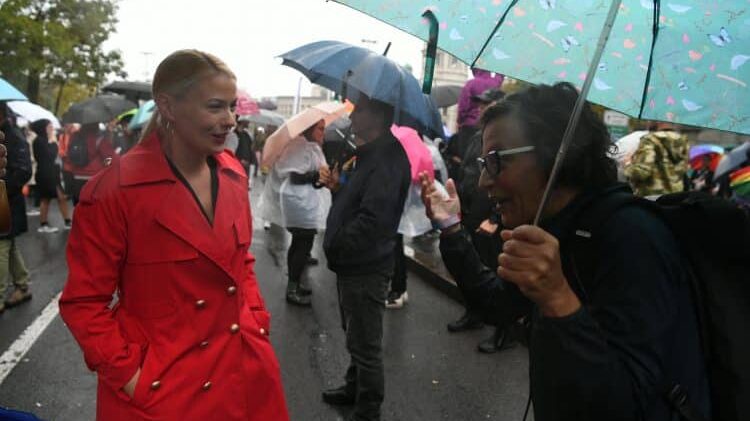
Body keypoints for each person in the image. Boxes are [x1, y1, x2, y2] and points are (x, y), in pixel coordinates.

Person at [420, 82, 710, 420]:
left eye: (497, 160)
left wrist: (559, 300)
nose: (484, 180)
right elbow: (497, 305)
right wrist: (452, 230)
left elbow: (629, 403)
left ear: (555, 154)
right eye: (485, 162)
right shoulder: (549, 227)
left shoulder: (634, 237)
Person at [58, 49, 289, 421]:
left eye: (232, 107)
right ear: (167, 106)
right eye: (215, 107)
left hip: (244, 369)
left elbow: (241, 261)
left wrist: (257, 320)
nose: (230, 120)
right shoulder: (115, 190)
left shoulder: (233, 175)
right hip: (163, 388)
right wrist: (130, 375)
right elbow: (83, 302)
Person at [318, 95, 410, 421]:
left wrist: (339, 244)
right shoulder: (369, 153)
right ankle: (353, 387)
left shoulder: (387, 159)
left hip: (365, 264)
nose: (353, 115)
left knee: (366, 343)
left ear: (378, 116)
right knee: (356, 333)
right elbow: (357, 202)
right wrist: (338, 189)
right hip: (354, 262)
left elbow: (374, 220)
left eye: (360, 110)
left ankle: (368, 410)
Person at [266, 119, 330, 306]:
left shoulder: (311, 147)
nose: (323, 133)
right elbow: (294, 175)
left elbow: (314, 175)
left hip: (306, 201)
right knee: (302, 244)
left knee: (301, 243)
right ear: (310, 129)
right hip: (299, 201)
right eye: (320, 129)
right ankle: (292, 289)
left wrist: (322, 177)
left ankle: (294, 284)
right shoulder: (298, 146)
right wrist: (316, 175)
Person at [0, 103, 33, 314]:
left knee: (2, 247)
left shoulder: (15, 138)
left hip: (7, 203)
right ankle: (22, 284)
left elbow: (23, 172)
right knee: (8, 245)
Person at [624, 123, 688, 197]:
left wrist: (628, 164)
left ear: (658, 121)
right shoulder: (682, 141)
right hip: (675, 196)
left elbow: (641, 172)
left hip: (651, 196)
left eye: (650, 120)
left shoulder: (650, 140)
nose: (648, 122)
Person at [30, 119, 71, 232]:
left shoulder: (44, 140)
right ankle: (43, 224)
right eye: (49, 126)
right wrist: (53, 143)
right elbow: (50, 155)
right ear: (43, 128)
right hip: (45, 174)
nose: (52, 128)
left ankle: (67, 221)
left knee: (61, 197)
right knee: (46, 199)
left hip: (52, 173)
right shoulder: (39, 141)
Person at [65, 122, 116, 205]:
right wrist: (106, 166)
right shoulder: (99, 140)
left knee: (79, 205)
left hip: (77, 177)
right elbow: (109, 157)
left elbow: (69, 155)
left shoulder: (74, 138)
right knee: (94, 206)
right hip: (94, 178)